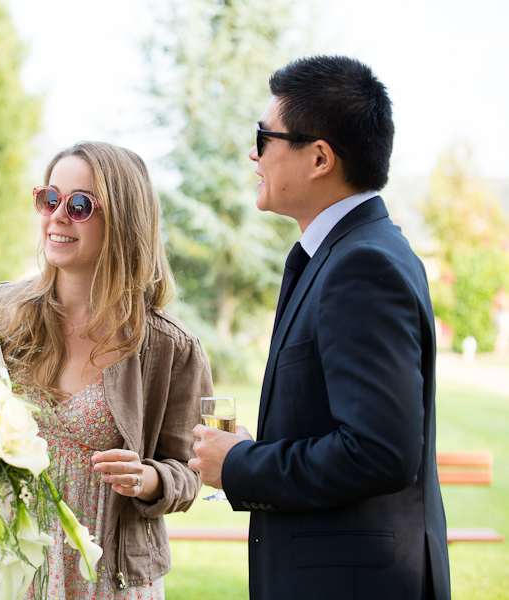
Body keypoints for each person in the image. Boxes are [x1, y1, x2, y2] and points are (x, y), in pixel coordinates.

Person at [189, 56, 450, 599]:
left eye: (264, 137)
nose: (253, 153)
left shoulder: (362, 265)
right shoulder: (343, 253)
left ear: (319, 157)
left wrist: (241, 464)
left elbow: (380, 452)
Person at [0, 141, 213, 599]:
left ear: (124, 220)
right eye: (50, 199)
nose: (57, 216)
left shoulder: (167, 347)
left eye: (80, 205)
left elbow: (191, 468)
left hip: (101, 576)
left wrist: (148, 479)